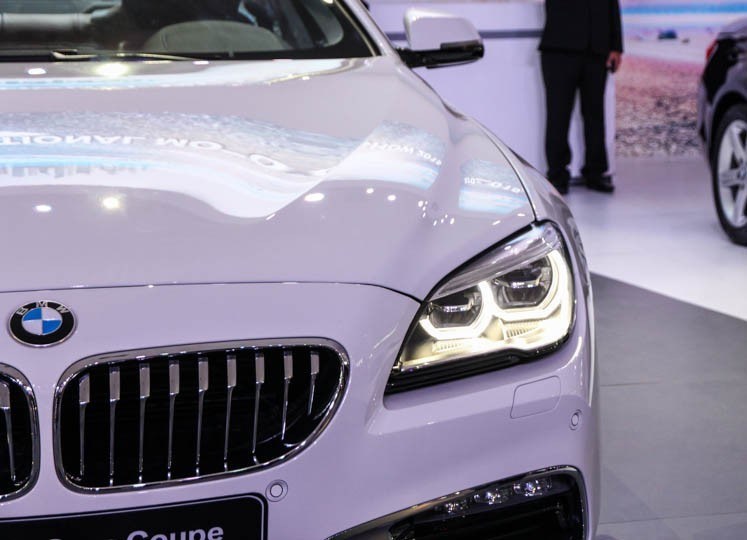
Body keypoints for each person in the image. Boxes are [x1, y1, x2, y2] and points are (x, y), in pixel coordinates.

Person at [540, 0, 624, 194]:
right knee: (558, 116)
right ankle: (557, 175)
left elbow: (612, 5)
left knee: (595, 115)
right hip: (559, 49)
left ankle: (596, 173)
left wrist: (616, 46)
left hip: (596, 50)